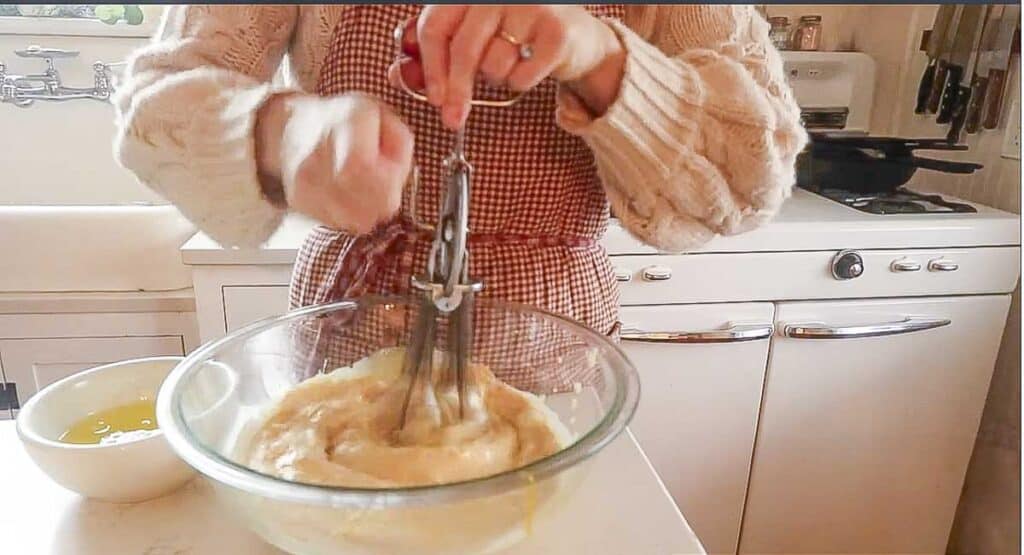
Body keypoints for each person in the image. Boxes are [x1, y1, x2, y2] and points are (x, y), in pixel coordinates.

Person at [113, 5, 807, 352]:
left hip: (558, 347)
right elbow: (156, 105)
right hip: (346, 329)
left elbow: (753, 175)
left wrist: (602, 58)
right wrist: (281, 131)